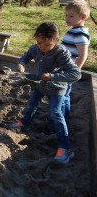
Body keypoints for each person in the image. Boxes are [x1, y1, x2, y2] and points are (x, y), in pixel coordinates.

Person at [12, 22, 81, 163]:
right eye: (39, 43)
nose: (42, 47)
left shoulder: (61, 52)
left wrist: (53, 76)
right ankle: (24, 122)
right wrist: (22, 63)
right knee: (31, 104)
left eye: (47, 45)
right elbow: (26, 56)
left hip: (57, 87)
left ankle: (65, 147)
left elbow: (76, 74)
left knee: (55, 113)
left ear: (56, 41)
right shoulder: (36, 48)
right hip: (41, 84)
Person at [61, 0, 90, 123]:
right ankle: (64, 117)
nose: (67, 18)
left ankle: (61, 119)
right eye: (66, 15)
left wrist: (75, 70)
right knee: (65, 95)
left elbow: (83, 55)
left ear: (82, 17)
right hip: (64, 68)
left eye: (71, 16)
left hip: (69, 70)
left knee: (62, 95)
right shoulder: (74, 30)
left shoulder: (79, 34)